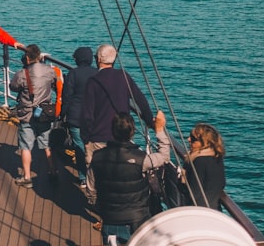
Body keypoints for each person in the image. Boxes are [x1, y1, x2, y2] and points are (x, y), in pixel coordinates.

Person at [81, 44, 155, 204]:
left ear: (98, 59)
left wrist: (85, 137)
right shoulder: (124, 76)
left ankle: (97, 205)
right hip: (120, 137)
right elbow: (140, 99)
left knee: (96, 174)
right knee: (116, 175)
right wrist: (150, 121)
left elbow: (87, 114)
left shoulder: (93, 81)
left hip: (98, 137)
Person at [90, 111, 170, 245]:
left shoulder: (97, 157)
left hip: (110, 217)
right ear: (132, 132)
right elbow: (164, 156)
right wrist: (160, 130)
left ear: (113, 131)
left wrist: (100, 207)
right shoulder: (141, 159)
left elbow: (91, 188)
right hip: (137, 218)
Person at [8, 44, 56, 189]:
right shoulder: (49, 71)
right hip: (44, 114)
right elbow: (55, 82)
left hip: (27, 114)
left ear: (27, 58)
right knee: (47, 144)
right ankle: (52, 170)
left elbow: (13, 87)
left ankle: (27, 177)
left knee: (25, 146)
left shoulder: (22, 74)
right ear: (40, 56)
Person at [61, 46, 98, 189]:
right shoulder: (97, 73)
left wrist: (63, 114)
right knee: (94, 147)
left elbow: (67, 96)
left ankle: (83, 177)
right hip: (94, 117)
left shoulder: (73, 74)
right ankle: (95, 176)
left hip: (75, 117)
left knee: (79, 145)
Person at [185, 122, 226, 210]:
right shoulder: (217, 157)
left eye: (193, 138)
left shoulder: (199, 161)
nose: (188, 139)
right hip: (214, 208)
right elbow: (222, 183)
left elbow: (193, 192)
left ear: (204, 143)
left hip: (198, 210)